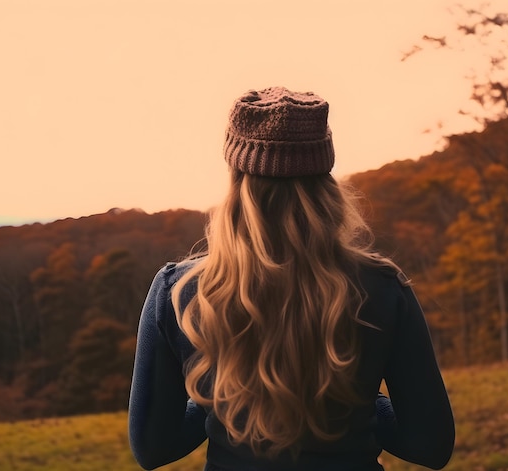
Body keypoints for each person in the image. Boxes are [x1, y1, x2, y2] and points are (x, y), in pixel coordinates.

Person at [128, 87, 455, 471]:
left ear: (237, 179)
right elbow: (430, 446)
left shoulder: (179, 292)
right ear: (325, 182)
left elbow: (153, 449)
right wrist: (359, 399)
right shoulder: (382, 288)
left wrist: (226, 395)